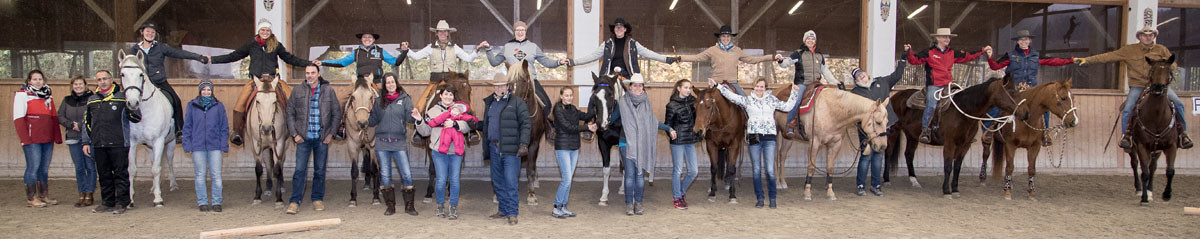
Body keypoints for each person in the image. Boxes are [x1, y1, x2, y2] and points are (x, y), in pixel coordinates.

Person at [1076, 26, 1191, 150]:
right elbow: (1108, 56)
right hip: (1138, 85)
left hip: (1159, 86)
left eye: (1150, 35)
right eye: (1145, 35)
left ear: (1154, 36)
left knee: (1179, 104)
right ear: (1140, 37)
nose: (1148, 37)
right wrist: (1086, 60)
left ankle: (1183, 134)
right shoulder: (1129, 50)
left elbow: (1173, 64)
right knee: (1128, 108)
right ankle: (1126, 137)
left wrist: (1167, 65)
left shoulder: (1161, 49)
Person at [209, 19, 307, 146]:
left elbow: (290, 59)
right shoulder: (251, 44)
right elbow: (234, 56)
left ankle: (296, 131)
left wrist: (309, 63)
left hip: (273, 80)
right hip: (255, 81)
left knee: (293, 100)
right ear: (258, 31)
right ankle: (237, 132)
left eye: (267, 30)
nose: (265, 32)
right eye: (262, 30)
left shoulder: (276, 45)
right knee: (239, 104)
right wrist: (213, 59)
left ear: (270, 32)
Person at [712, 78, 801, 208]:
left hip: (769, 138)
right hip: (754, 138)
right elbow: (731, 96)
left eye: (762, 86)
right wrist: (718, 86)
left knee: (770, 170)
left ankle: (772, 198)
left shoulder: (772, 100)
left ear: (765, 88)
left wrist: (794, 93)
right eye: (758, 86)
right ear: (754, 87)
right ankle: (760, 198)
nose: (760, 89)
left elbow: (787, 106)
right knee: (757, 170)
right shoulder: (747, 100)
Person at [904, 28, 990, 144]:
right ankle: (925, 130)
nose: (947, 39)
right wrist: (909, 52)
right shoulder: (929, 52)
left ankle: (963, 132)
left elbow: (968, 56)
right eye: (944, 37)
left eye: (948, 37)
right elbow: (915, 60)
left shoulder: (952, 53)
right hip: (934, 85)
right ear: (937, 38)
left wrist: (982, 51)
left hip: (948, 84)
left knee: (963, 101)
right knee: (931, 104)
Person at [130, 23, 210, 143]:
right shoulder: (134, 49)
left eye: (152, 32)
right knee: (127, 100)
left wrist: (198, 57)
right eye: (147, 31)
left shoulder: (161, 47)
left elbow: (179, 53)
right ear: (142, 32)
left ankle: (179, 131)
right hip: (142, 84)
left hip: (159, 81)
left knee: (176, 100)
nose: (150, 34)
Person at [81, 70, 141, 215]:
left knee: (120, 174)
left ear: (111, 79)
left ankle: (122, 202)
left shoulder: (122, 97)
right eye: (99, 79)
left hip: (119, 143)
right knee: (104, 174)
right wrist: (86, 142)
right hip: (99, 144)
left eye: (105, 79)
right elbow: (86, 122)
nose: (102, 82)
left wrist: (132, 108)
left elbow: (136, 118)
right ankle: (107, 202)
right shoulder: (92, 99)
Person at [284, 65, 341, 215]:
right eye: (307, 73)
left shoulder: (328, 91)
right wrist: (294, 133)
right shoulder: (297, 90)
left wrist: (331, 134)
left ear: (318, 74)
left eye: (312, 73)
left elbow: (336, 113)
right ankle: (294, 201)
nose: (310, 76)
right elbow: (289, 112)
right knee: (299, 170)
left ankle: (317, 198)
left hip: (322, 138)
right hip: (303, 138)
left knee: (320, 171)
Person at [613, 74, 672, 215]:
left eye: (640, 85)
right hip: (625, 143)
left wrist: (668, 128)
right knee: (630, 175)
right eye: (635, 85)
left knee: (640, 175)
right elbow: (611, 119)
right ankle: (629, 204)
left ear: (643, 87)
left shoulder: (646, 103)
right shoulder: (622, 102)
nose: (638, 88)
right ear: (630, 87)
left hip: (642, 144)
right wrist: (598, 125)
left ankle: (638, 203)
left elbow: (653, 122)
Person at [848, 61, 907, 196]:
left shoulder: (882, 82)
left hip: (882, 127)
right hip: (867, 130)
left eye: (862, 74)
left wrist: (903, 61)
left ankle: (876, 185)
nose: (861, 77)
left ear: (866, 74)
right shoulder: (855, 93)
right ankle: (861, 185)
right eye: (858, 77)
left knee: (878, 156)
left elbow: (896, 75)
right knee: (866, 156)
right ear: (856, 80)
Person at [485, 21, 567, 117]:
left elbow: (546, 61)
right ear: (514, 32)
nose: (520, 32)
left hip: (530, 81)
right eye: (518, 30)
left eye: (522, 30)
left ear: (525, 31)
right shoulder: (507, 47)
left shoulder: (533, 47)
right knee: (498, 105)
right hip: (513, 82)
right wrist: (488, 49)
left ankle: (546, 128)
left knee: (547, 104)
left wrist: (558, 62)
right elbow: (494, 62)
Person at [416, 86, 474, 220]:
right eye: (446, 94)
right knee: (441, 180)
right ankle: (440, 205)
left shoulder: (459, 109)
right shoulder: (432, 111)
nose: (448, 97)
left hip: (456, 151)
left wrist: (456, 125)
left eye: (451, 95)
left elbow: (466, 126)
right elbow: (425, 131)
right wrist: (419, 121)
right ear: (440, 96)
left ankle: (453, 207)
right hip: (438, 151)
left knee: (454, 180)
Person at [481, 73, 532, 225]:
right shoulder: (490, 103)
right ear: (493, 87)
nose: (499, 88)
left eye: (502, 85)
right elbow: (487, 124)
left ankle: (512, 212)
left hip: (511, 149)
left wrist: (523, 144)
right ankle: (503, 209)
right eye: (497, 85)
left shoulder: (517, 102)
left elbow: (526, 124)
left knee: (510, 182)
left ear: (508, 86)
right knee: (497, 181)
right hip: (493, 147)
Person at [368, 73, 419, 216]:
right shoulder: (378, 101)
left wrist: (414, 116)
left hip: (399, 142)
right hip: (382, 143)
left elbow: (409, 119)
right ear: (384, 85)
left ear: (396, 83)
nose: (390, 84)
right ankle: (390, 206)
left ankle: (409, 206)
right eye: (387, 82)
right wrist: (368, 111)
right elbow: (373, 121)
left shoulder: (405, 98)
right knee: (385, 175)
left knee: (407, 174)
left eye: (392, 82)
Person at [676, 25, 783, 93]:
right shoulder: (712, 50)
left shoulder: (737, 50)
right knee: (703, 103)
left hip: (732, 83)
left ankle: (746, 127)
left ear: (731, 38)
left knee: (745, 102)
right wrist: (680, 58)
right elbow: (697, 58)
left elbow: (752, 60)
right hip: (716, 83)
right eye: (723, 36)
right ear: (720, 38)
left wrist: (772, 57)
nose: (726, 39)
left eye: (728, 37)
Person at [568, 18, 677, 79]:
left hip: (629, 76)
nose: (618, 28)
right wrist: (573, 62)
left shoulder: (633, 44)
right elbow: (592, 57)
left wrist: (666, 59)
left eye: (621, 27)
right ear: (614, 29)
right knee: (595, 97)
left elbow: (648, 53)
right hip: (609, 76)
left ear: (625, 29)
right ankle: (593, 118)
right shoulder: (606, 44)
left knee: (640, 97)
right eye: (616, 26)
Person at [15, 70, 63, 208]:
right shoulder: (22, 95)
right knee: (33, 167)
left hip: (47, 138)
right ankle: (31, 197)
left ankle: (43, 195)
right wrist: (25, 139)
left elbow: (53, 118)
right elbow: (18, 119)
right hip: (32, 139)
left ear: (44, 80)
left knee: (44, 168)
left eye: (40, 79)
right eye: (34, 79)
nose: (38, 81)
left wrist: (56, 136)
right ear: (29, 81)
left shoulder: (48, 96)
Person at [778, 30, 838, 139]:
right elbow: (786, 63)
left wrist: (834, 82)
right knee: (795, 101)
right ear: (805, 40)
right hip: (802, 83)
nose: (810, 40)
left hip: (817, 84)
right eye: (808, 38)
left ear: (815, 41)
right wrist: (781, 61)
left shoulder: (819, 55)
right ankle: (790, 125)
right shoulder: (798, 53)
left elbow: (825, 71)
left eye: (813, 39)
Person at [181, 79, 229, 212]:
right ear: (200, 91)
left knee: (216, 175)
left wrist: (223, 144)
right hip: (198, 146)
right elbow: (187, 126)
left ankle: (216, 202)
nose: (206, 92)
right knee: (200, 175)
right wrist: (187, 144)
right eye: (204, 90)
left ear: (212, 91)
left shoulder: (219, 106)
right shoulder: (192, 106)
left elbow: (224, 127)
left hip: (215, 146)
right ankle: (202, 202)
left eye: (209, 90)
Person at [550, 87, 597, 218]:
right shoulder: (558, 110)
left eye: (571, 95)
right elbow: (568, 127)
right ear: (561, 96)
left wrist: (594, 102)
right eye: (566, 95)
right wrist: (587, 127)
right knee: (566, 178)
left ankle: (563, 206)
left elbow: (586, 116)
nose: (569, 97)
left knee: (569, 179)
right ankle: (556, 206)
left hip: (574, 147)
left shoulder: (573, 109)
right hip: (563, 147)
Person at [316, 29, 405, 86]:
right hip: (361, 83)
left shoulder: (380, 51)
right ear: (361, 39)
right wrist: (323, 62)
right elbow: (342, 62)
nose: (367, 39)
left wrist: (404, 51)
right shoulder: (356, 52)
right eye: (364, 37)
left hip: (377, 83)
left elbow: (396, 62)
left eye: (370, 37)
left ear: (374, 39)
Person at [60, 75, 96, 208]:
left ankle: (90, 193)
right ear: (72, 86)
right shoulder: (66, 100)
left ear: (85, 85)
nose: (78, 86)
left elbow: (93, 115)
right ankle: (82, 192)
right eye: (75, 84)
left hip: (89, 138)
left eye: (80, 84)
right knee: (79, 167)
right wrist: (70, 125)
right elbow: (60, 116)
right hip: (73, 137)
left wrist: (81, 126)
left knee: (90, 167)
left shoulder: (92, 99)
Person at [664, 79, 700, 210]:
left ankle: (681, 192)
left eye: (689, 88)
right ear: (679, 88)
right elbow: (667, 124)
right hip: (678, 141)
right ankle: (677, 197)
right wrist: (670, 131)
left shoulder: (694, 103)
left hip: (690, 140)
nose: (688, 90)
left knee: (693, 171)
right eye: (686, 87)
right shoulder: (671, 105)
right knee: (677, 170)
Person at [400, 20, 487, 74]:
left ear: (448, 33)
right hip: (435, 80)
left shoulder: (455, 47)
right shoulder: (431, 47)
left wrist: (477, 48)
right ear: (436, 33)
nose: (442, 34)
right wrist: (406, 50)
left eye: (445, 31)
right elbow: (416, 57)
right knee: (424, 100)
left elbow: (468, 59)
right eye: (440, 32)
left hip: (451, 80)